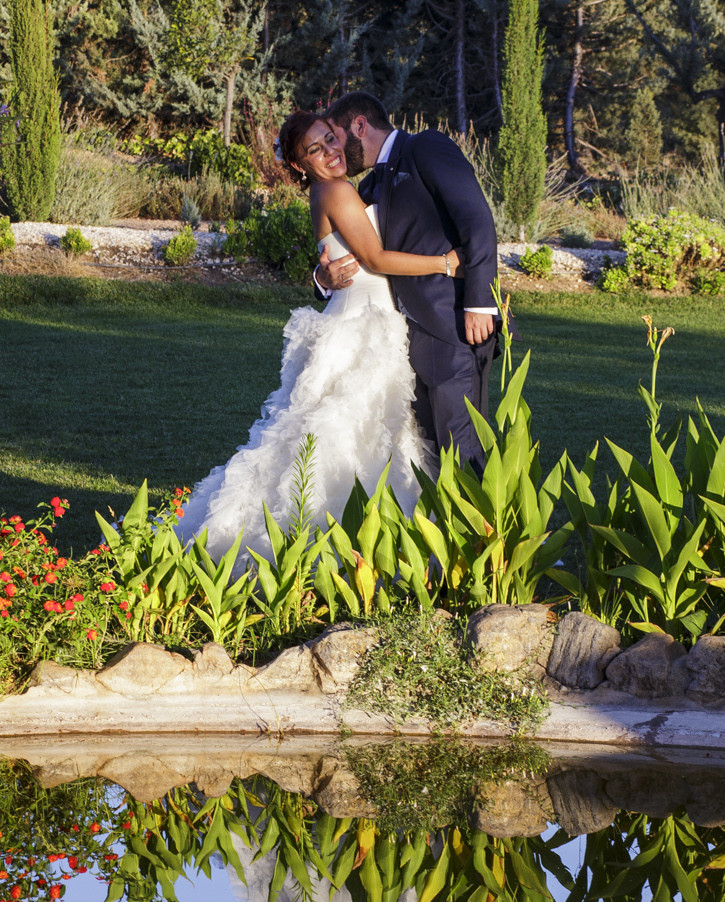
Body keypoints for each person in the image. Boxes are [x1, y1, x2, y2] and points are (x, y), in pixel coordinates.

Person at [172, 108, 457, 560]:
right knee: (346, 434)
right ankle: (333, 547)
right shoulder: (336, 190)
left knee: (372, 434)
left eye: (330, 138)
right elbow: (377, 258)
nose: (330, 152)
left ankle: (370, 545)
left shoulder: (341, 189)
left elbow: (347, 258)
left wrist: (324, 276)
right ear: (300, 166)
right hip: (362, 328)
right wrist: (446, 263)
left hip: (367, 318)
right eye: (315, 149)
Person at [311, 91, 502, 471]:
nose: (332, 151)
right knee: (428, 451)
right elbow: (349, 252)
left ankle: (485, 530)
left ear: (359, 126)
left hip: (455, 327)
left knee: (461, 445)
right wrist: (321, 277)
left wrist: (480, 303)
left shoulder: (426, 147)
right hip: (402, 341)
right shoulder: (365, 187)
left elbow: (477, 220)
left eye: (333, 136)